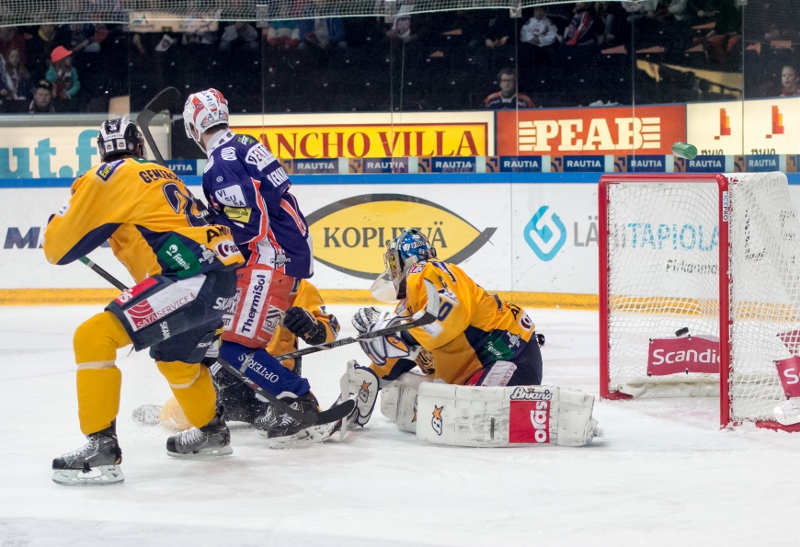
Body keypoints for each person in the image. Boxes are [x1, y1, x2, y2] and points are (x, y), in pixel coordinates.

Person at [42, 117, 245, 485]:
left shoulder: (107, 175)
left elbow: (56, 249)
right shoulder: (160, 174)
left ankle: (101, 450)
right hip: (222, 278)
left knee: (93, 338)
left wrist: (58, 218)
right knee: (178, 362)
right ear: (139, 147)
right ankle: (212, 431)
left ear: (103, 151)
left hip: (189, 279)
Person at [182, 88, 324, 443]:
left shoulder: (219, 163)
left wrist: (208, 223)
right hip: (283, 254)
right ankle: (271, 398)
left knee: (229, 344)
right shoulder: (243, 144)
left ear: (193, 126)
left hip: (269, 258)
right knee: (229, 339)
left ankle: (298, 399)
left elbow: (250, 223)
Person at [344, 229, 543, 428]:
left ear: (407, 259)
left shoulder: (427, 269)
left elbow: (450, 313)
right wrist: (368, 381)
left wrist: (401, 333)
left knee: (467, 421)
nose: (392, 271)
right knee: (452, 417)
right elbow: (404, 352)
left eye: (394, 263)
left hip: (507, 356)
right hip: (482, 367)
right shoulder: (409, 308)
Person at [136, 279, 341, 433]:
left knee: (286, 421)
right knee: (182, 413)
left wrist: (313, 328)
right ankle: (162, 412)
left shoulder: (296, 285)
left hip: (271, 382)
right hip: (223, 379)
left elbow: (330, 331)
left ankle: (306, 414)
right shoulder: (222, 279)